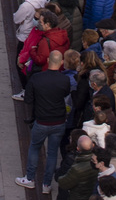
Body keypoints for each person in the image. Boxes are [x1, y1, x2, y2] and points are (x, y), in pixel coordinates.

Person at [13, 49, 72, 189]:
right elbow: (66, 94)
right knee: (52, 153)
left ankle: (30, 178)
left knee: (34, 148)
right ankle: (47, 184)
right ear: (61, 63)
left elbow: (28, 99)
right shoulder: (65, 79)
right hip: (58, 121)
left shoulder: (37, 78)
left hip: (41, 120)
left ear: (47, 60)